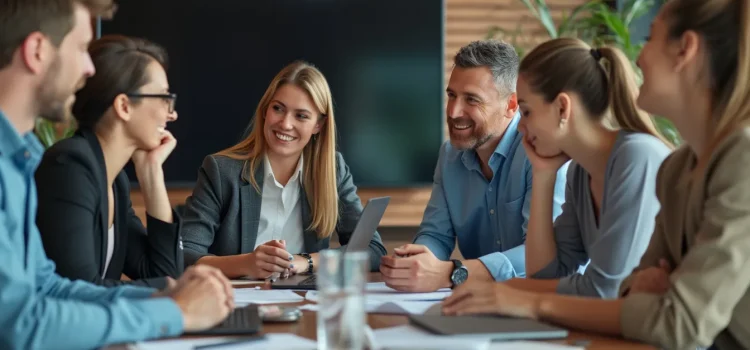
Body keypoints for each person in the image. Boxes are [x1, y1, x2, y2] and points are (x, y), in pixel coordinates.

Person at [443, 0, 750, 349]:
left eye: (650, 38)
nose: (636, 57)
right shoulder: (676, 167)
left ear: (685, 50)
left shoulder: (736, 158)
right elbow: (624, 289)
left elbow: (671, 319)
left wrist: (523, 299)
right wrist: (543, 176)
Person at [0, 1, 232, 348]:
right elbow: (22, 323)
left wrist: (174, 301)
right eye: (80, 48)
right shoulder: (66, 165)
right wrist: (175, 311)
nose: (90, 67)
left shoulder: (21, 161)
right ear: (36, 51)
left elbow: (49, 286)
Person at [478, 38, 672, 299]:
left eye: (526, 112)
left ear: (562, 107)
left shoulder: (638, 157)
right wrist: (543, 175)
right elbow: (546, 275)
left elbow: (605, 290)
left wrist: (510, 290)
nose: (520, 127)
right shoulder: (580, 173)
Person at [380, 40, 568, 292]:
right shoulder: (449, 155)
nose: (454, 111)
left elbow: (542, 257)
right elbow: (436, 235)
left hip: (547, 301)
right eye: (451, 95)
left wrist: (454, 273)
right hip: (483, 304)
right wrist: (418, 260)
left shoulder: (541, 151)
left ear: (511, 105)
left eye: (472, 99)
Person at [181, 61, 387, 279]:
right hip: (234, 302)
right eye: (278, 108)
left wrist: (306, 261)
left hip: (301, 303)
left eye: (301, 116)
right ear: (265, 111)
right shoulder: (222, 171)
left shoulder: (332, 170)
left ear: (318, 125)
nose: (285, 124)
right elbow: (185, 256)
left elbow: (372, 251)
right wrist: (247, 263)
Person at [35, 35, 183, 289]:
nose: (171, 112)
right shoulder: (70, 166)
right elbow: (79, 290)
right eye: (162, 97)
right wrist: (176, 290)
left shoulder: (115, 181)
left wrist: (151, 173)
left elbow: (164, 271)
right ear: (124, 106)